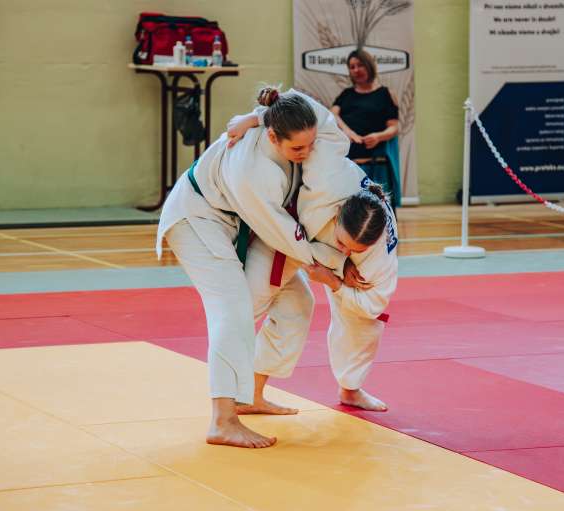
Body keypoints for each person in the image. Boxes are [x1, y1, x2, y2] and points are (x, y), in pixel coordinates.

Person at [156, 86, 350, 448]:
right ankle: (222, 419)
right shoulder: (251, 170)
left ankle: (251, 395)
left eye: (309, 146)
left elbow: (318, 116)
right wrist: (323, 264)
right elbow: (282, 234)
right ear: (273, 137)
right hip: (196, 219)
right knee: (233, 309)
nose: (306, 154)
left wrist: (256, 115)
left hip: (231, 220)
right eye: (297, 149)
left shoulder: (277, 125)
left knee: (296, 305)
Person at [227, 107, 398, 415]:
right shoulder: (328, 173)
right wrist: (255, 117)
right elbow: (303, 109)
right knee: (244, 308)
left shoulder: (379, 256)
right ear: (338, 214)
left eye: (352, 250)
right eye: (343, 243)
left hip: (306, 242)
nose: (346, 252)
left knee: (360, 321)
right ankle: (231, 390)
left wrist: (333, 280)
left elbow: (373, 304)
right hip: (280, 233)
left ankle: (350, 388)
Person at [331, 49, 400, 206]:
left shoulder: (385, 94)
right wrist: (348, 132)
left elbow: (394, 128)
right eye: (352, 66)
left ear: (369, 65)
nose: (356, 70)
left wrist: (378, 136)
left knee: (380, 212)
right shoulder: (346, 94)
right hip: (350, 165)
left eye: (360, 65)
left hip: (377, 165)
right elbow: (332, 115)